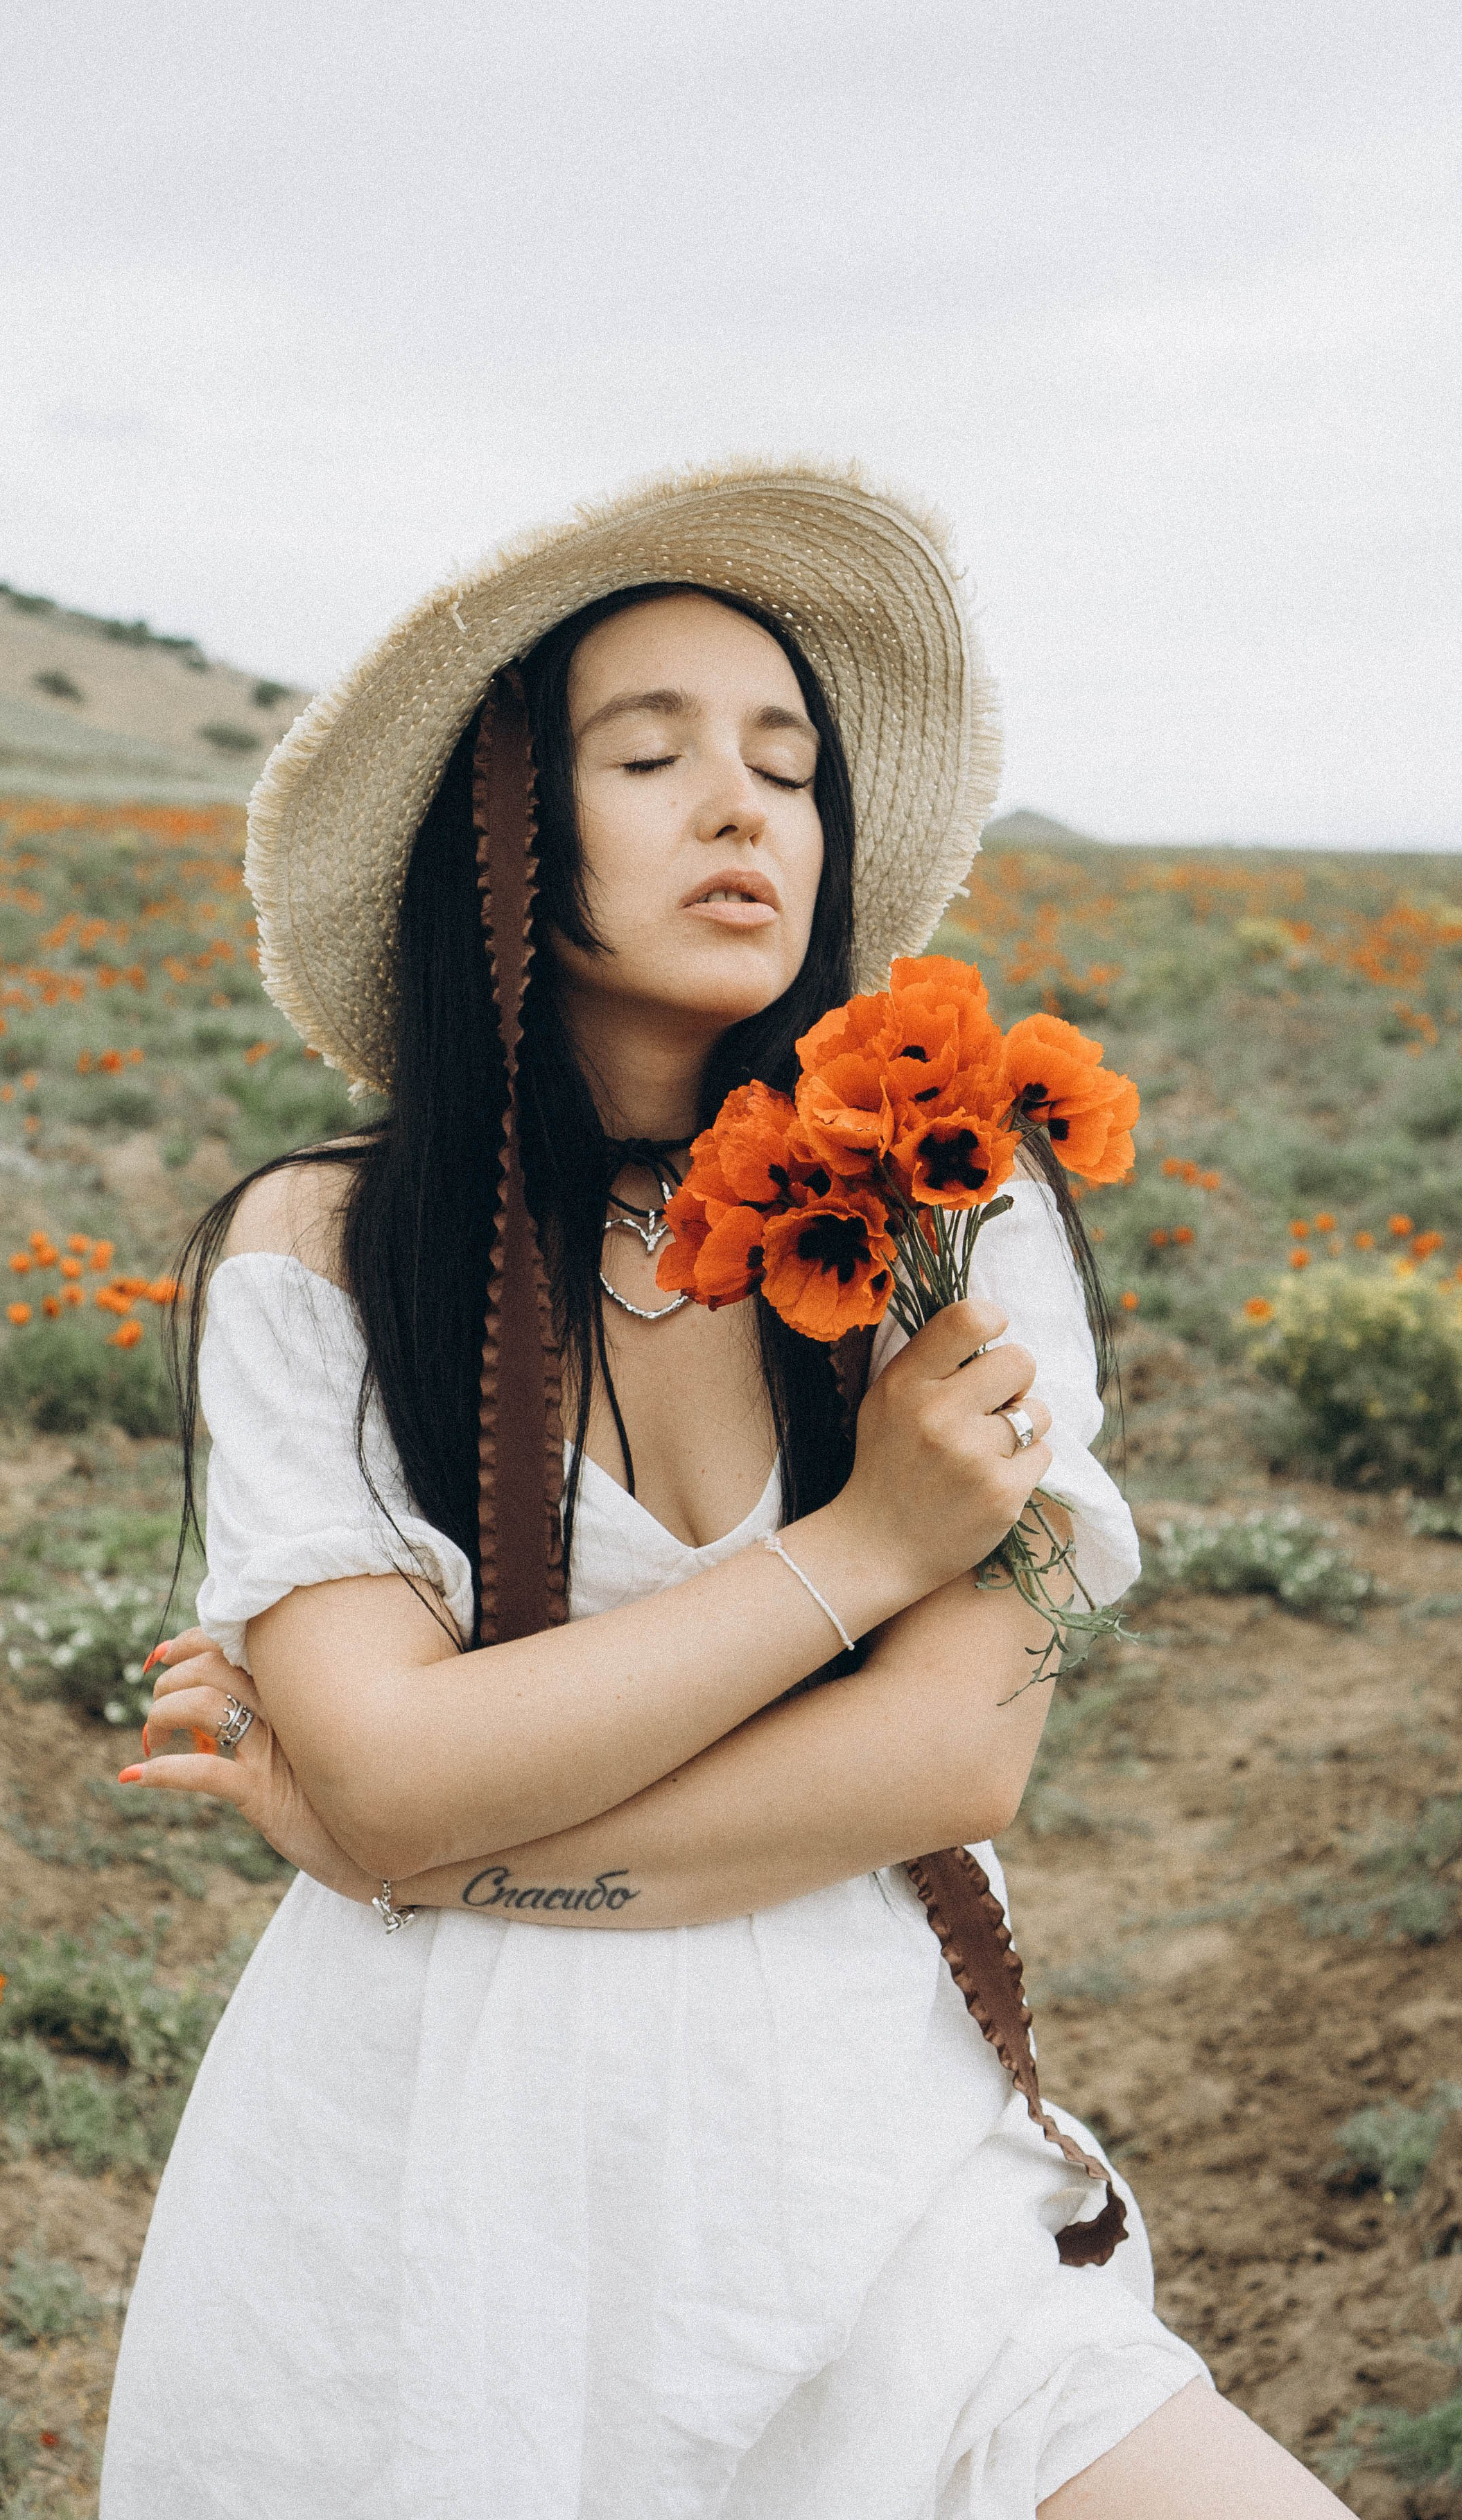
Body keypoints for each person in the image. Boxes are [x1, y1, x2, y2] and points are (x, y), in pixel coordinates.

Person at [98, 465, 1342, 2517]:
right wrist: (869, 1547)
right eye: (648, 752)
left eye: (786, 761)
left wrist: (443, 1846)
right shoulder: (316, 1255)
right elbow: (395, 1769)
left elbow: (953, 1756)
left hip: (865, 2132)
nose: (743, 804)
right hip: (436, 2166)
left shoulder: (963, 1205)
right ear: (503, 832)